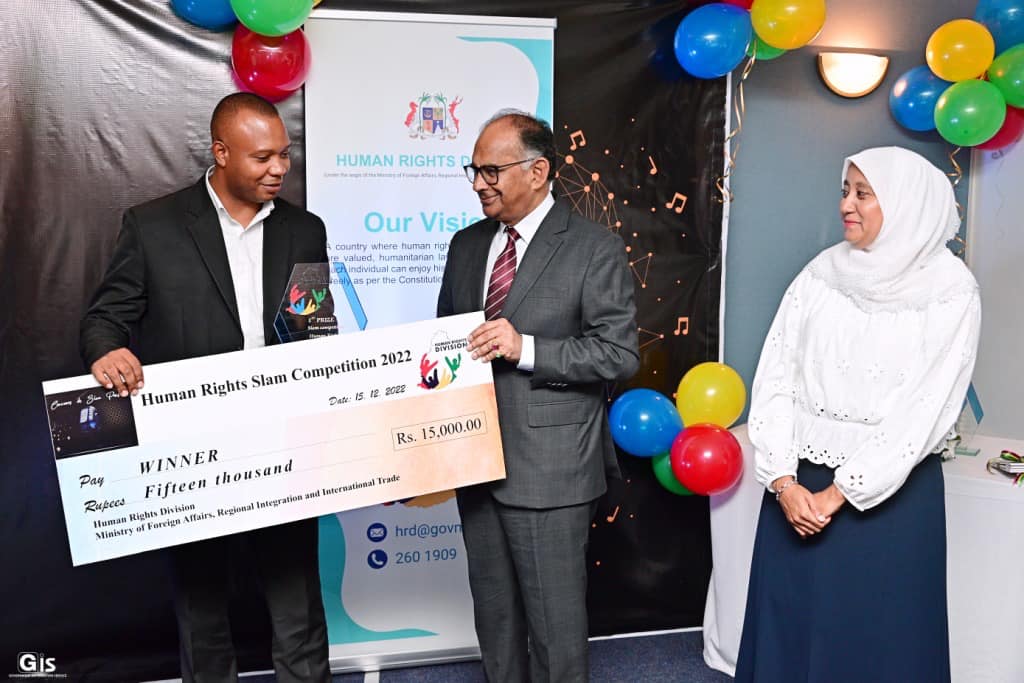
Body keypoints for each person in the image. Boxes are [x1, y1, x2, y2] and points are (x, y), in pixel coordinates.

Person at [80, 92, 330, 683]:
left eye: (284, 155)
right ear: (220, 152)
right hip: (190, 450)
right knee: (201, 606)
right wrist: (107, 351)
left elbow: (312, 327)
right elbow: (105, 318)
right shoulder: (152, 225)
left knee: (297, 601)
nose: (278, 168)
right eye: (262, 157)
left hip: (283, 441)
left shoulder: (304, 229)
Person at [735, 147, 981, 682]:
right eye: (845, 191)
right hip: (797, 488)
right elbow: (777, 375)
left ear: (906, 203)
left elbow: (926, 409)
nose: (847, 204)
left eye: (863, 193)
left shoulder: (950, 290)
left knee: (880, 642)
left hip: (890, 498)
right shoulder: (820, 274)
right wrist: (783, 481)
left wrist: (839, 493)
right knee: (790, 628)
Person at [436, 110, 639, 682]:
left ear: (538, 171)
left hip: (551, 471)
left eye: (492, 171)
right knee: (495, 622)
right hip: (475, 462)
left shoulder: (594, 247)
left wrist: (524, 347)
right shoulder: (465, 245)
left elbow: (618, 355)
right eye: (474, 170)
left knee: (555, 631)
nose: (479, 184)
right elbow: (444, 347)